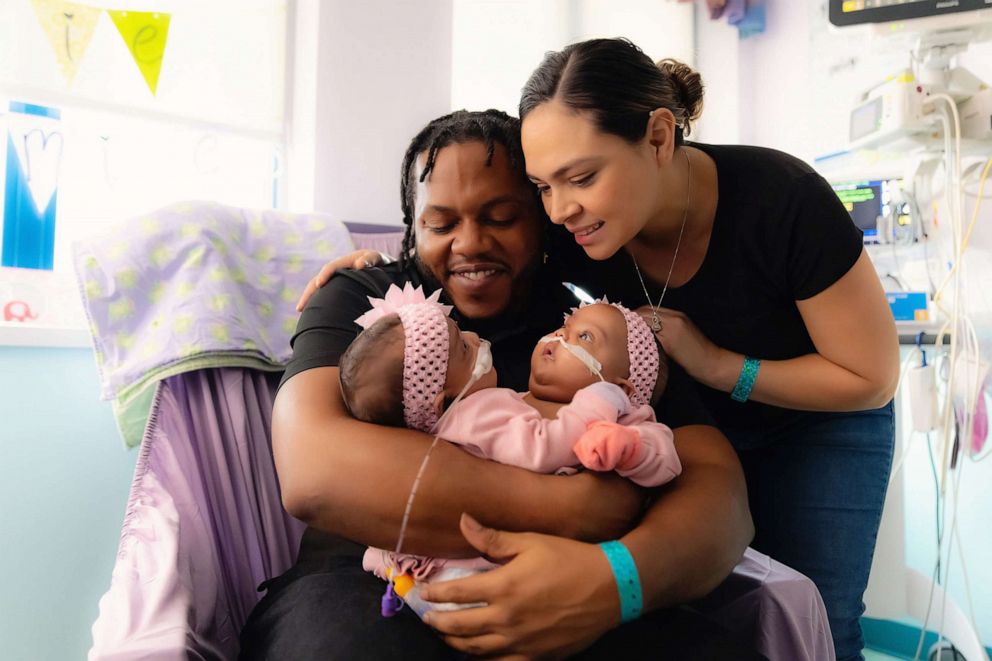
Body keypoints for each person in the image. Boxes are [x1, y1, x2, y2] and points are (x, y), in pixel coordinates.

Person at [240, 109, 754, 659]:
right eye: (440, 225)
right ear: (413, 228)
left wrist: (614, 582)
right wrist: (571, 510)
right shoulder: (366, 302)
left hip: (577, 581)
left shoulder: (591, 328)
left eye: (502, 217)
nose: (470, 244)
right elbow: (315, 471)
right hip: (380, 581)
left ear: (543, 219)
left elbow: (721, 497)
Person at [517, 38, 899, 661]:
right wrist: (371, 273)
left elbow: (869, 376)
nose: (561, 209)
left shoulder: (782, 199)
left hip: (822, 425)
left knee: (818, 618)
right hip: (702, 429)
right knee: (721, 619)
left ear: (660, 137)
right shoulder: (572, 226)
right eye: (543, 186)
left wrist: (715, 364)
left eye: (582, 178)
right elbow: (480, 251)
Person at [341, 293, 681, 589]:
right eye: (565, 326)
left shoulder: (622, 415)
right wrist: (596, 403)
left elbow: (667, 462)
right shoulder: (485, 409)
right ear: (444, 401)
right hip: (471, 565)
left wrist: (632, 450)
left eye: (585, 337)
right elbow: (541, 448)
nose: (560, 336)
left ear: (622, 389)